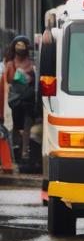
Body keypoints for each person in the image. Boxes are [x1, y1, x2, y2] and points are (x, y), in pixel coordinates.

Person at [2, 36, 37, 166]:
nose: (20, 49)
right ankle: (16, 152)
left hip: (28, 102)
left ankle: (24, 152)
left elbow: (35, 81)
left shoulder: (32, 64)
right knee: (15, 126)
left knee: (27, 125)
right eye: (18, 46)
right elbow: (7, 81)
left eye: (23, 46)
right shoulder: (11, 64)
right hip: (15, 102)